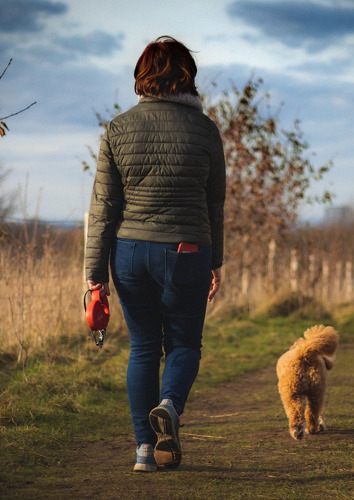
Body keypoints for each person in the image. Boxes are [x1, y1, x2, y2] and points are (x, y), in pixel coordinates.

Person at [85, 36, 225, 472]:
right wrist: (215, 260)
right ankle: (169, 405)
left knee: (143, 348)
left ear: (142, 77)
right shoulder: (205, 130)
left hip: (128, 254)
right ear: (188, 78)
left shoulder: (118, 129)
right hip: (186, 250)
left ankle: (145, 450)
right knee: (184, 344)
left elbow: (103, 206)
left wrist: (94, 274)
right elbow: (214, 203)